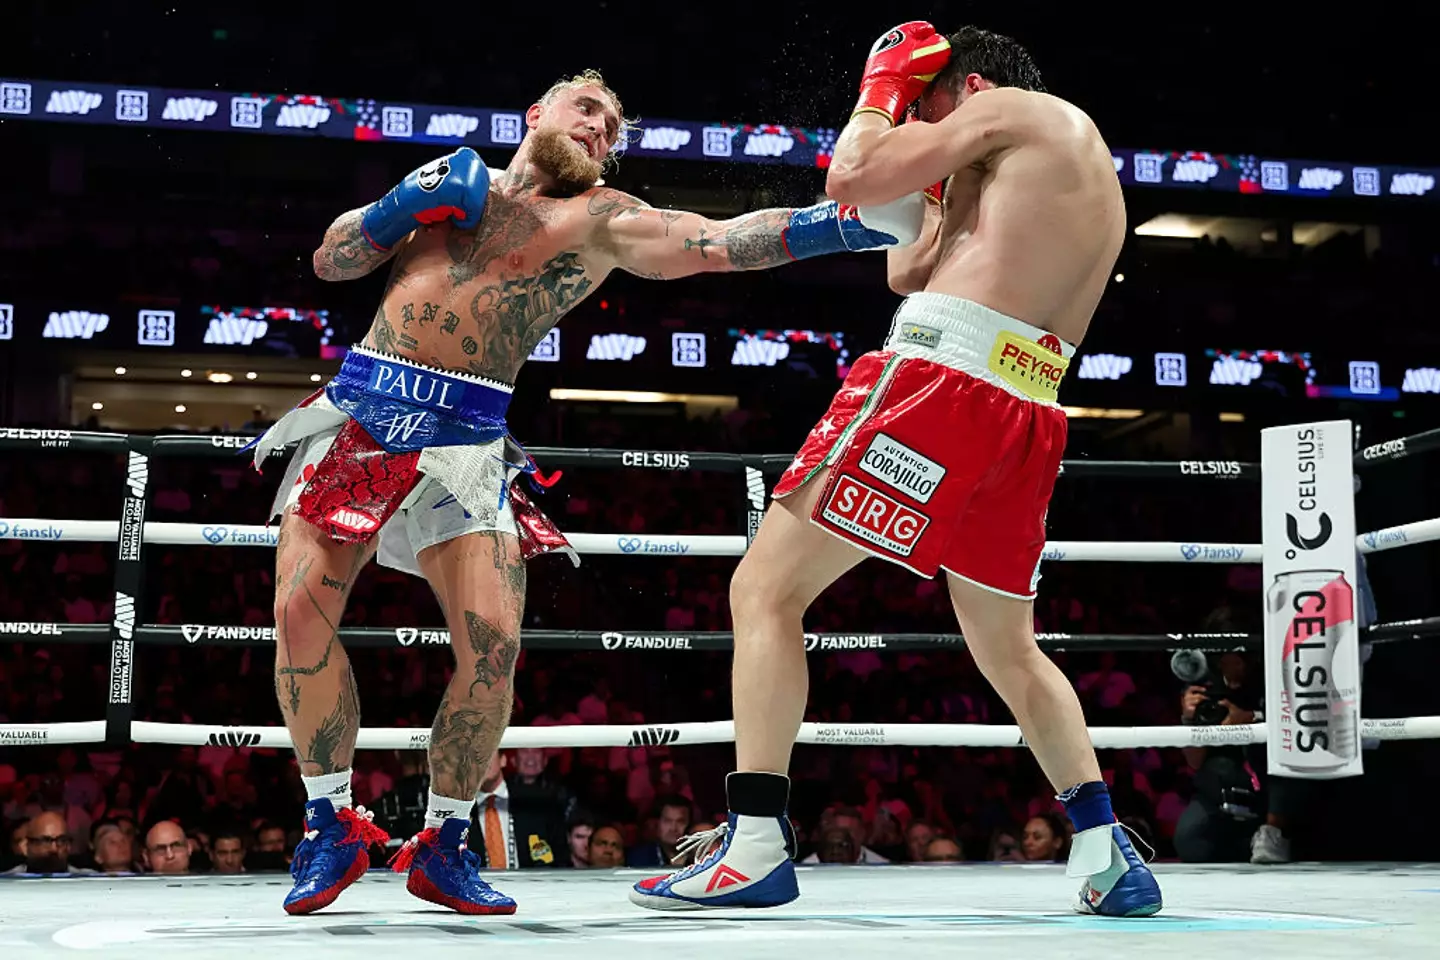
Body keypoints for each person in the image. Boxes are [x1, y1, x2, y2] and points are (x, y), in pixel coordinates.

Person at [251, 67, 927, 918]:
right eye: (587, 111)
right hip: (364, 411)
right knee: (297, 615)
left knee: (493, 648)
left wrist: (852, 224)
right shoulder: (446, 187)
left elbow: (718, 241)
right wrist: (395, 206)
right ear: (534, 114)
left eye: (612, 127)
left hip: (467, 439)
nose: (601, 129)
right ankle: (330, 824)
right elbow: (332, 258)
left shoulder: (600, 218)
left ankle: (447, 841)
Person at [630, 23, 1161, 918]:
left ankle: (755, 843)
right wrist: (941, 195)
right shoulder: (1051, 174)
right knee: (1007, 646)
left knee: (763, 590)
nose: (916, 123)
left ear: (973, 88)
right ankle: (1109, 854)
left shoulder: (1026, 114)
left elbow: (851, 172)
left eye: (928, 105)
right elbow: (908, 270)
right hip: (1024, 410)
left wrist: (880, 91)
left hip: (939, 384)